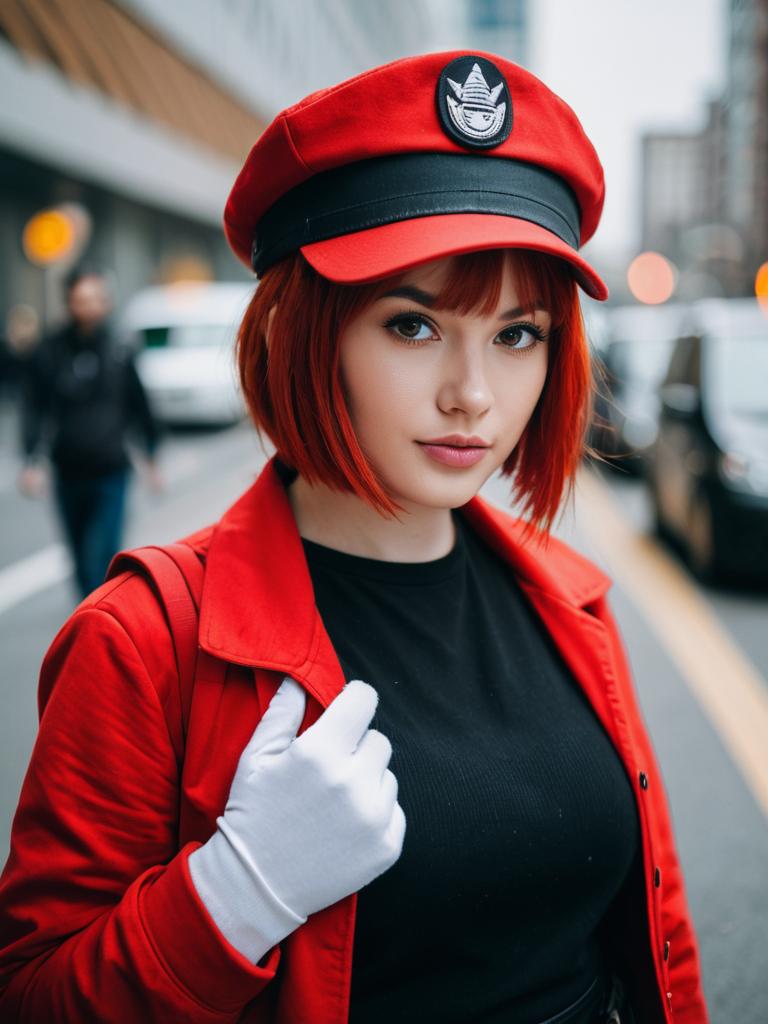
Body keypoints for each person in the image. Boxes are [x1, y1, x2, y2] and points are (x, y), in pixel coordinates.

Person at [0, 51, 708, 1024]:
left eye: (517, 334)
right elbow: (32, 994)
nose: (473, 393)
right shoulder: (141, 640)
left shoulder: (572, 600)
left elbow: (661, 945)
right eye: (413, 325)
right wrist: (235, 896)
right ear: (306, 328)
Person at [17, 266, 163, 599]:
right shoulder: (50, 351)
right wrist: (31, 461)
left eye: (96, 299)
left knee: (101, 552)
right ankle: (89, 613)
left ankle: (98, 620)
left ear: (107, 302)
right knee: (80, 555)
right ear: (68, 302)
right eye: (81, 299)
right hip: (67, 470)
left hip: (111, 470)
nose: (89, 307)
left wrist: (152, 457)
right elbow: (34, 408)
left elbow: (139, 406)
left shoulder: (119, 349)